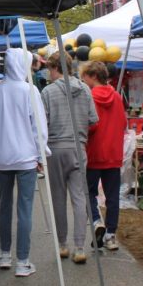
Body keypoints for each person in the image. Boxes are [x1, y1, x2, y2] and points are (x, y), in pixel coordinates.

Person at [0, 49, 49, 276]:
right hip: (26, 157)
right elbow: (38, 127)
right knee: (25, 209)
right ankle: (23, 260)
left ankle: (4, 254)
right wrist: (40, 154)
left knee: (5, 207)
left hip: (2, 158)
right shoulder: (30, 91)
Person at [42, 51, 98, 263]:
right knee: (79, 197)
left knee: (58, 198)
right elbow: (93, 119)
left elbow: (43, 123)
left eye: (49, 68)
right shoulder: (85, 89)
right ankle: (80, 246)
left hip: (56, 147)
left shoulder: (47, 92)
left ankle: (63, 245)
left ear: (55, 67)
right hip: (78, 146)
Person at [82, 60, 127, 251]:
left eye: (84, 76)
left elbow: (90, 125)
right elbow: (124, 123)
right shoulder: (116, 96)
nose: (82, 79)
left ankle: (95, 221)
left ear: (93, 76)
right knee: (112, 196)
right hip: (113, 153)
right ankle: (110, 235)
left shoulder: (89, 97)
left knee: (88, 192)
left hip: (94, 152)